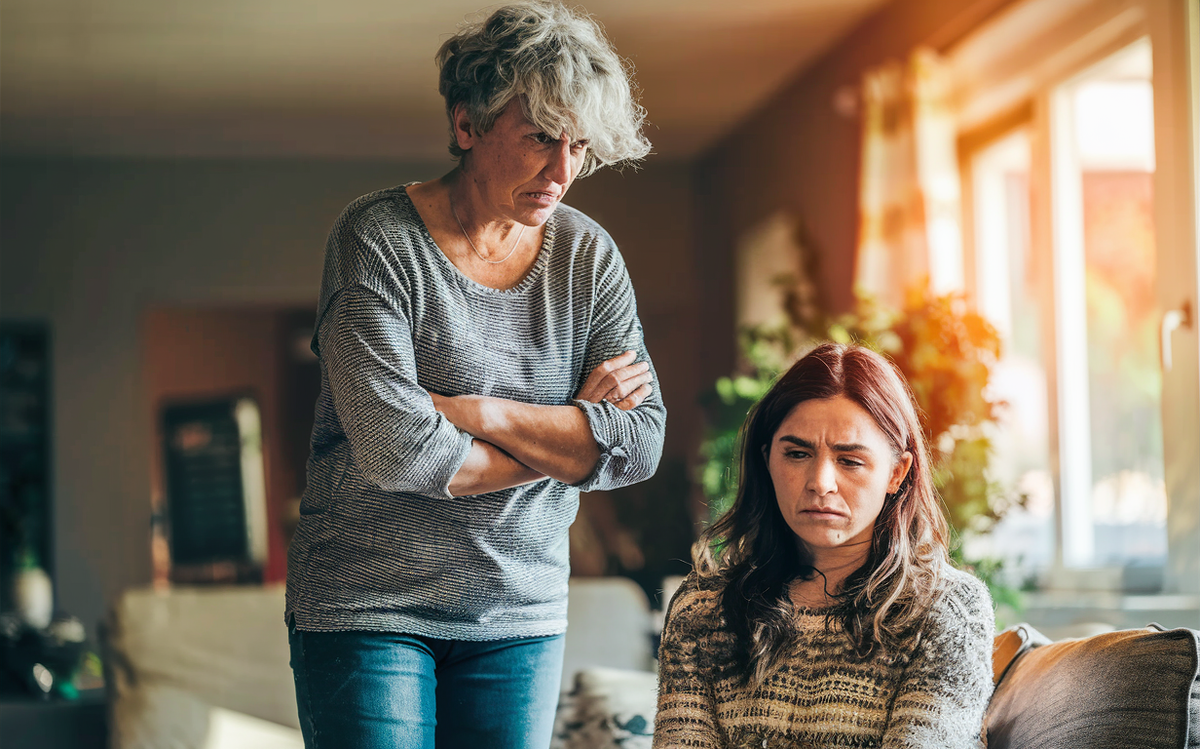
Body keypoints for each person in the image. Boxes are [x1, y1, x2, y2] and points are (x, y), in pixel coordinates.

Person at [284, 4, 666, 748]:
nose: (562, 173)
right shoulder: (377, 240)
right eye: (539, 139)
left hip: (518, 613)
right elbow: (405, 453)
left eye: (578, 146)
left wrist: (471, 411)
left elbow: (639, 444)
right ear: (466, 126)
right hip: (370, 604)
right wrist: (569, 431)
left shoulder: (589, 258)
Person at [654, 343, 993, 749]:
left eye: (849, 461)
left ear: (896, 473)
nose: (820, 482)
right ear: (767, 461)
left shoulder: (946, 610)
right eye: (797, 454)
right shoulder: (703, 609)